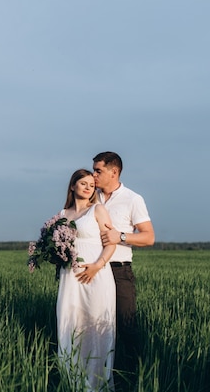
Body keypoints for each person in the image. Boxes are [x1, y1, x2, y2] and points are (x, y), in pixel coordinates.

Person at [76, 151, 155, 391]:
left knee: (125, 327)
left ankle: (129, 381)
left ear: (114, 171)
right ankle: (92, 378)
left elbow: (149, 237)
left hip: (119, 272)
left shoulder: (132, 199)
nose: (94, 175)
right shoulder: (91, 196)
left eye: (98, 171)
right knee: (91, 326)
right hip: (92, 272)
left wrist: (119, 236)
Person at [56, 169, 118, 391]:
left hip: (96, 275)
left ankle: (98, 383)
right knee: (72, 323)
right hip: (70, 277)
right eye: (83, 183)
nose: (88, 187)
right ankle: (73, 381)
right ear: (72, 186)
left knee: (96, 325)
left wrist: (97, 267)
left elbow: (111, 242)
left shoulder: (98, 210)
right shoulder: (63, 214)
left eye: (92, 184)